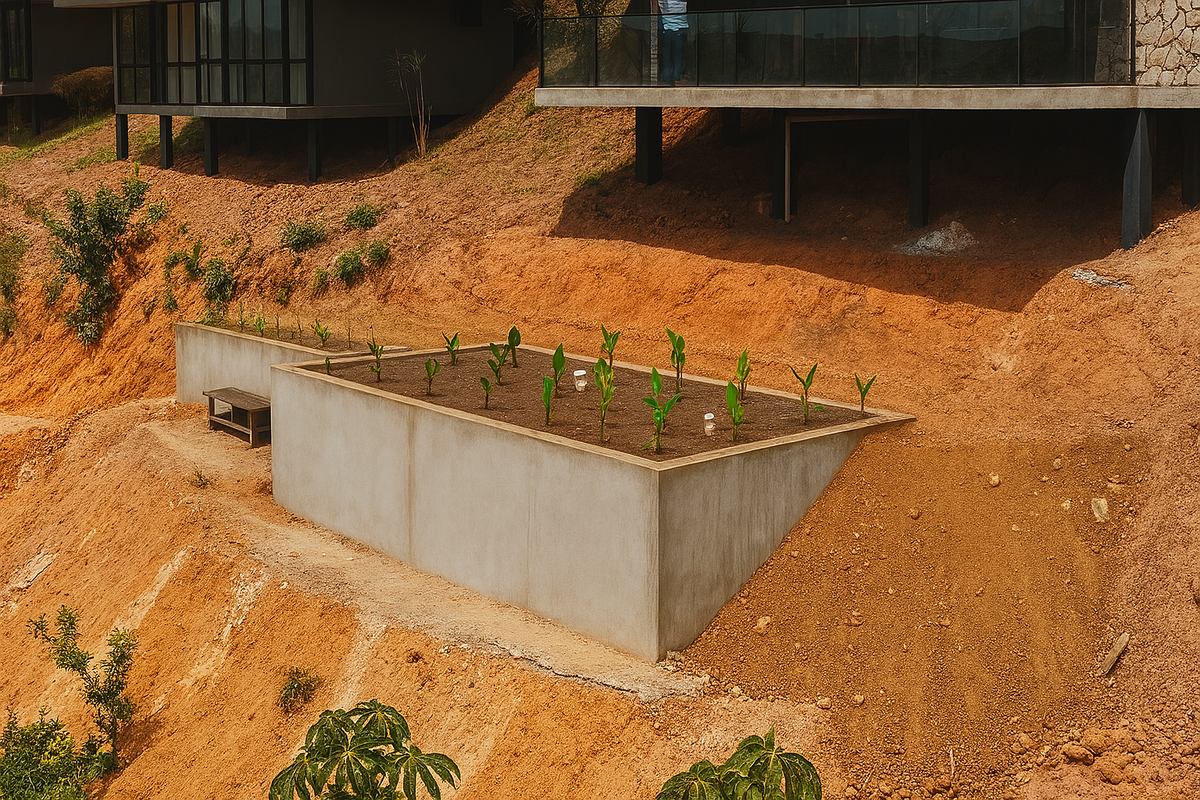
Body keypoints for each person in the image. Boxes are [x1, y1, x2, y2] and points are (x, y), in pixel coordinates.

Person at [657, 0, 688, 85]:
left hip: (666, 26)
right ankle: (676, 77)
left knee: (667, 54)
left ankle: (667, 77)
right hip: (679, 26)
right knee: (678, 53)